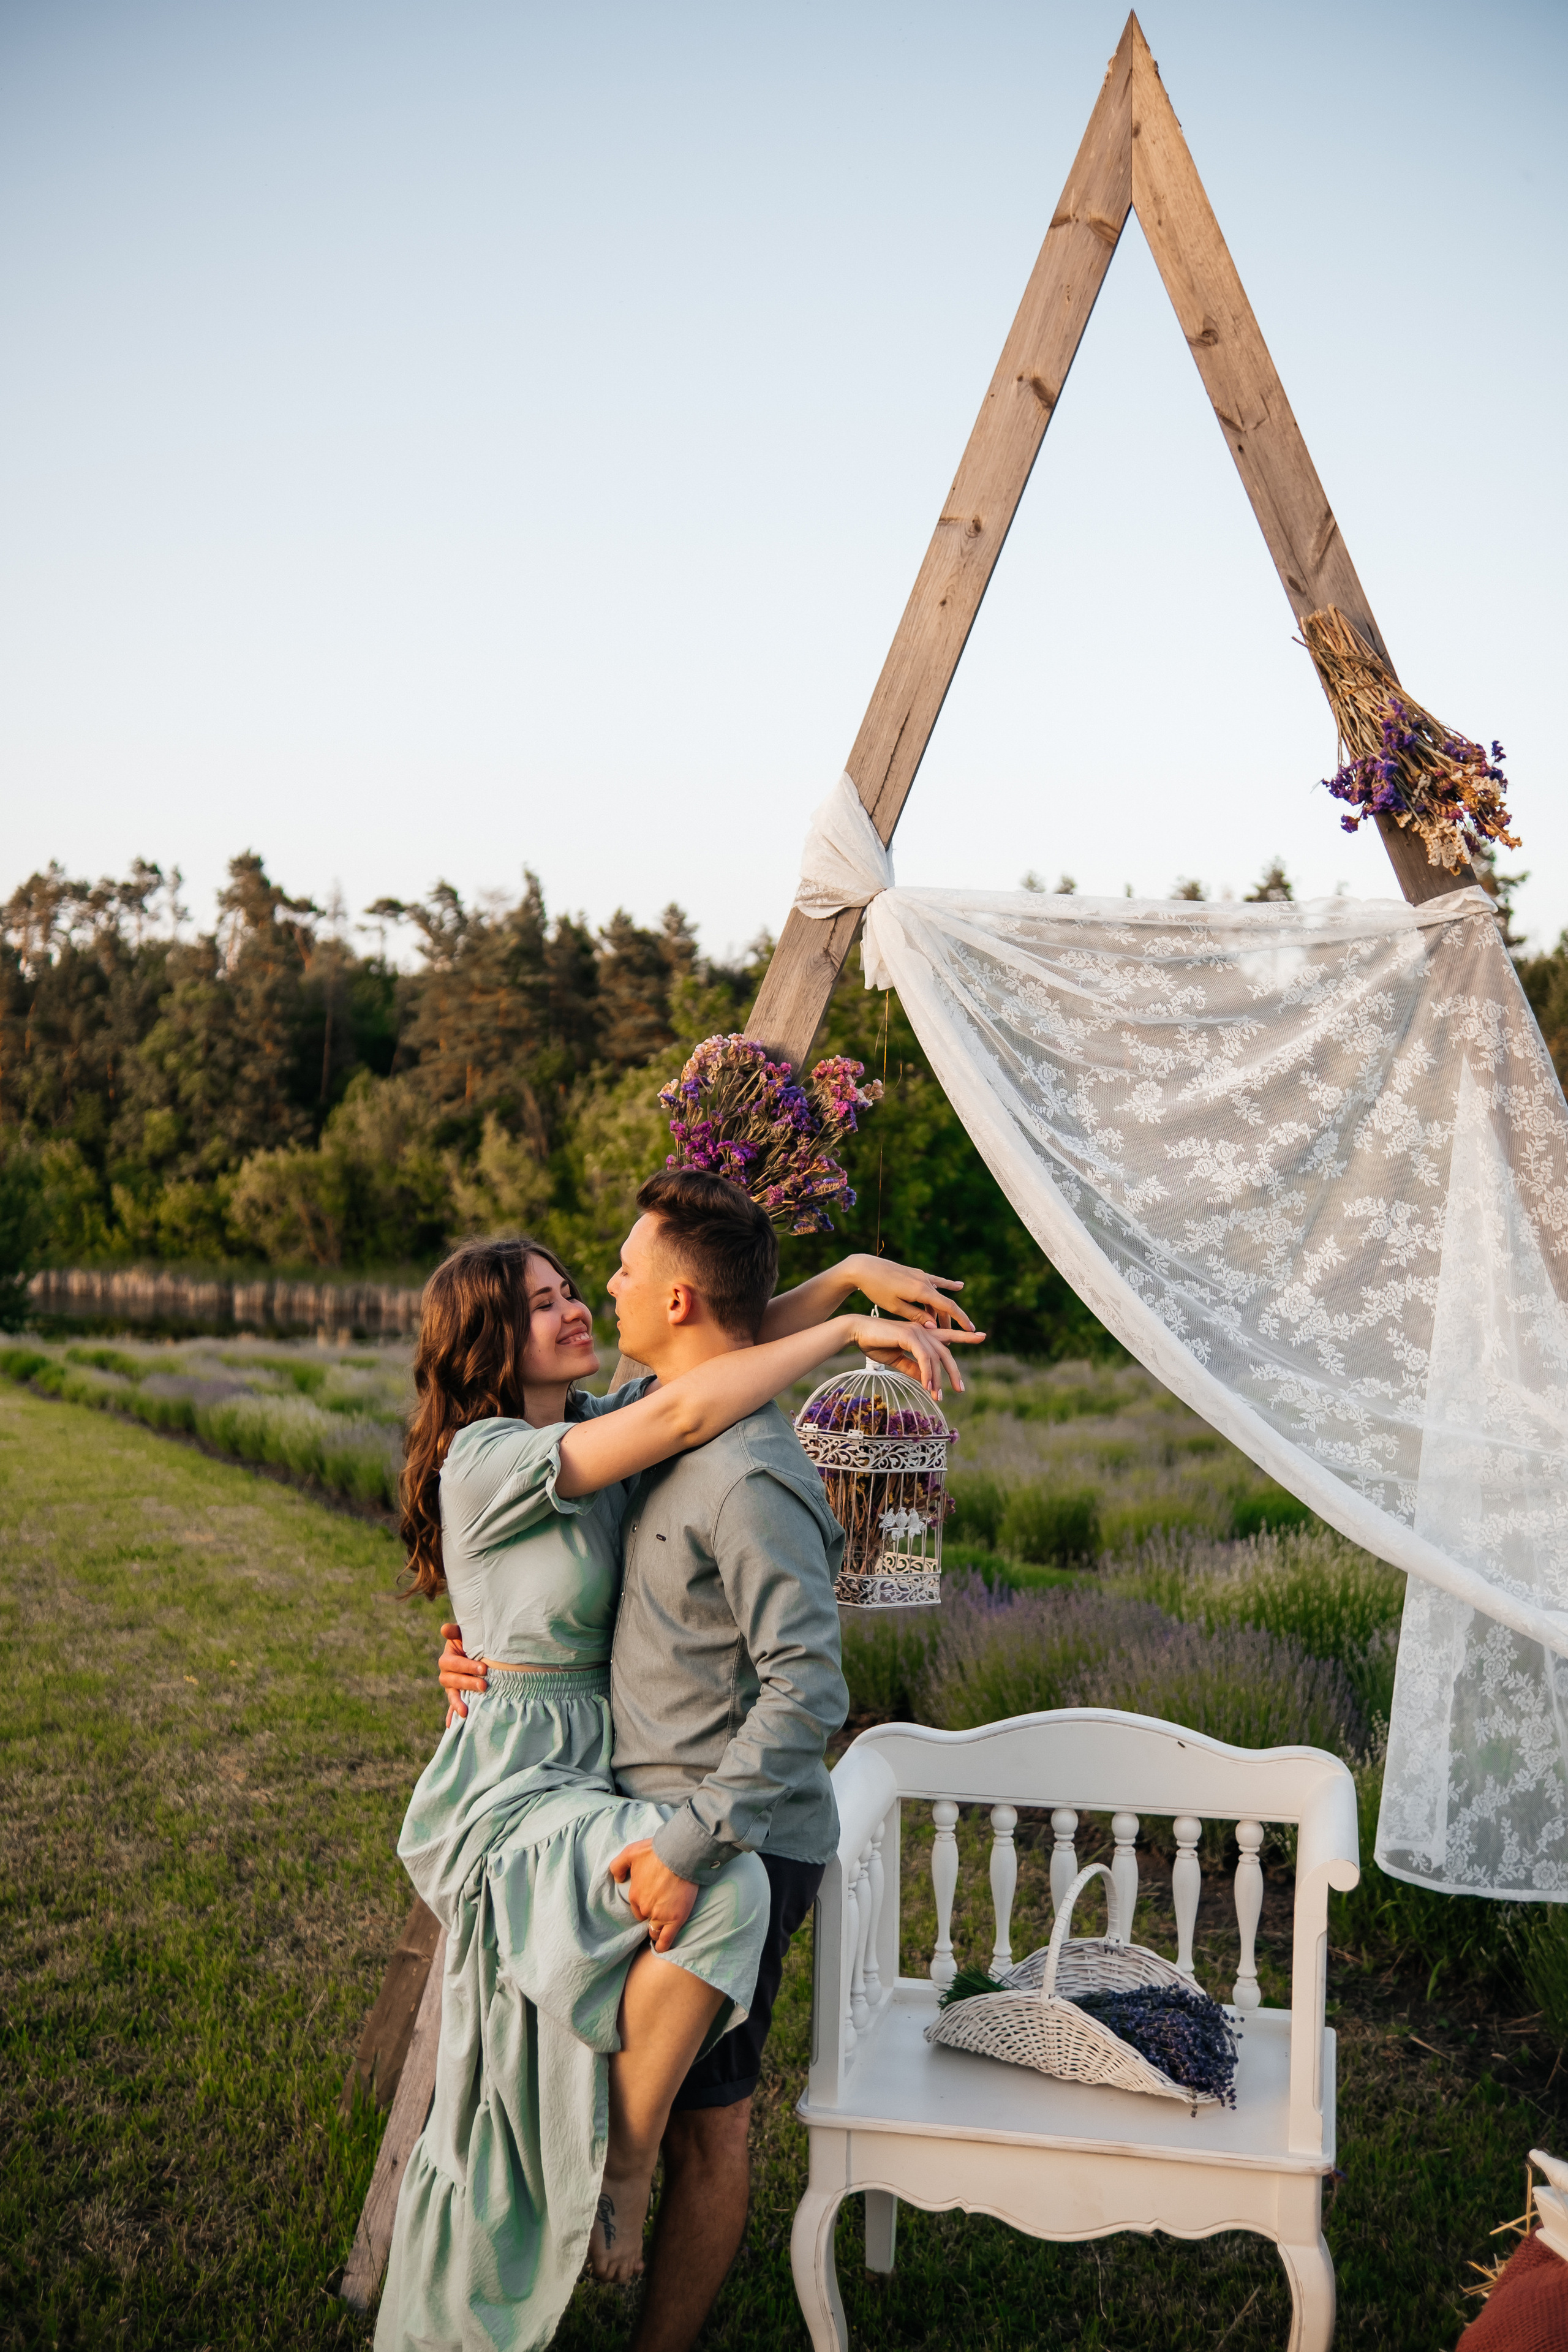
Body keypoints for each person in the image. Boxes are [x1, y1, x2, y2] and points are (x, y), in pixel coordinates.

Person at [379, 1200, 978, 2352]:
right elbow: (703, 1374)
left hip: (655, 1795)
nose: (586, 1295)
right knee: (672, 2081)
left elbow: (711, 1353)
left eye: (590, 1279)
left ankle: (624, 2181)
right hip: (541, 1783)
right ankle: (616, 2173)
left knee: (714, 2110)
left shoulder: (632, 1427)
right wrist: (847, 1323)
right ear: (491, 1344)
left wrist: (844, 1284)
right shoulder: (498, 1455)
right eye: (547, 1297)